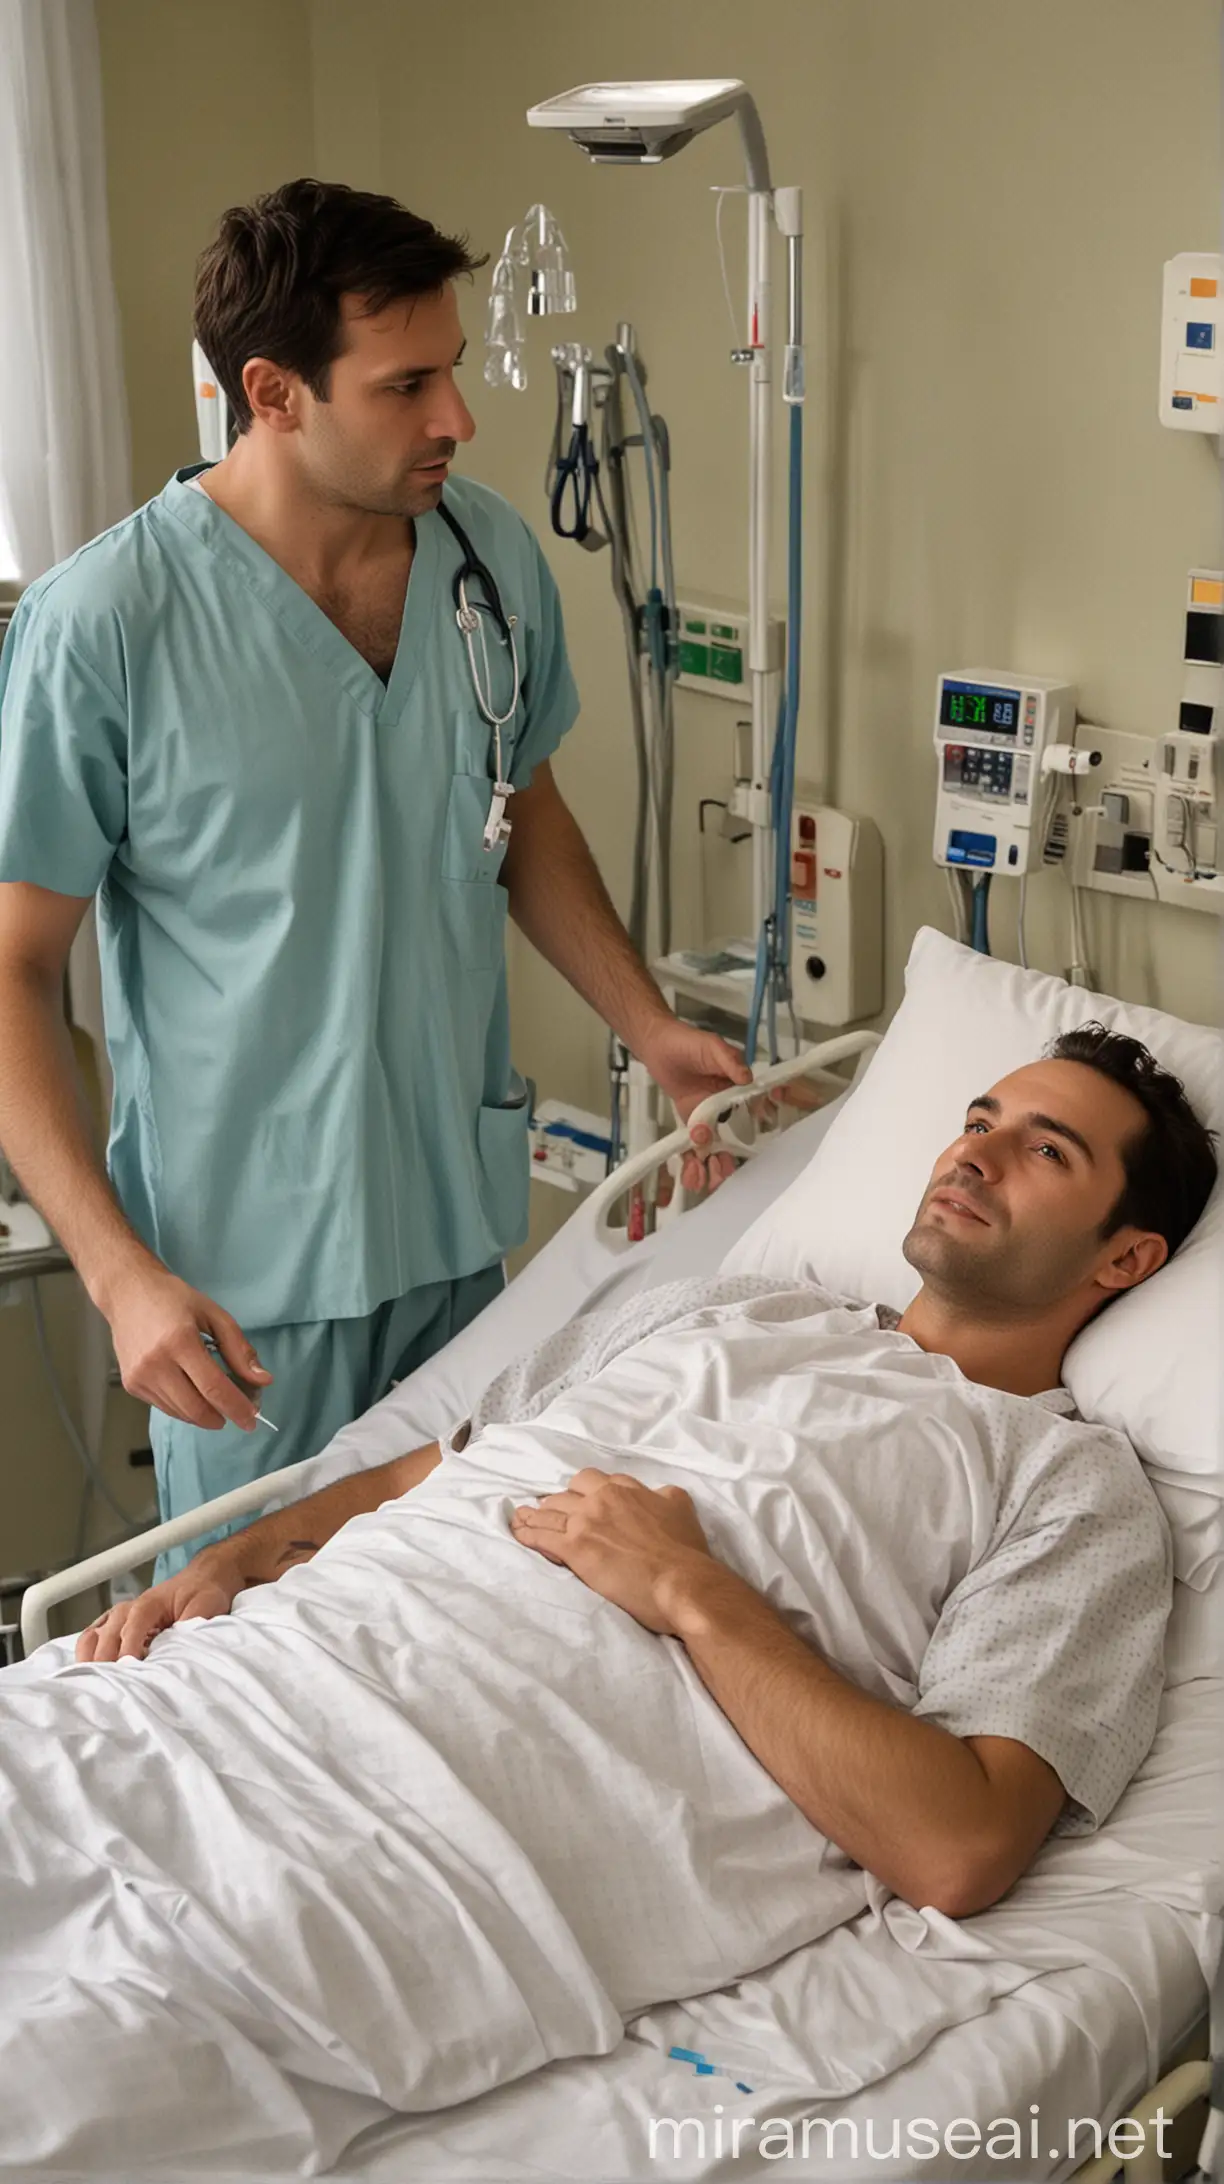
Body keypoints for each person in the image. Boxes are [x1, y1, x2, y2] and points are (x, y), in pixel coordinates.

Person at [1, 1030, 1213, 2171]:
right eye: (979, 1119)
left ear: (1126, 1258)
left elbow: (960, 1845)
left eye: (1046, 1151)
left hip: (419, 1840)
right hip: (208, 1705)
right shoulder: (718, 1308)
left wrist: (692, 1592)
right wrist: (246, 1554)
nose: (973, 1153)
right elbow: (435, 1465)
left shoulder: (1069, 1486)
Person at [0, 179, 747, 1572]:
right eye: (408, 384)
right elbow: (14, 971)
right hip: (239, 1297)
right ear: (272, 393)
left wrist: (645, 1024)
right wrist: (117, 1278)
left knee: (455, 1628)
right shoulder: (105, 623)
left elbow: (519, 807)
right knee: (247, 1664)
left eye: (452, 369)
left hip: (457, 1242)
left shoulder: (491, 562)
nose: (456, 416)